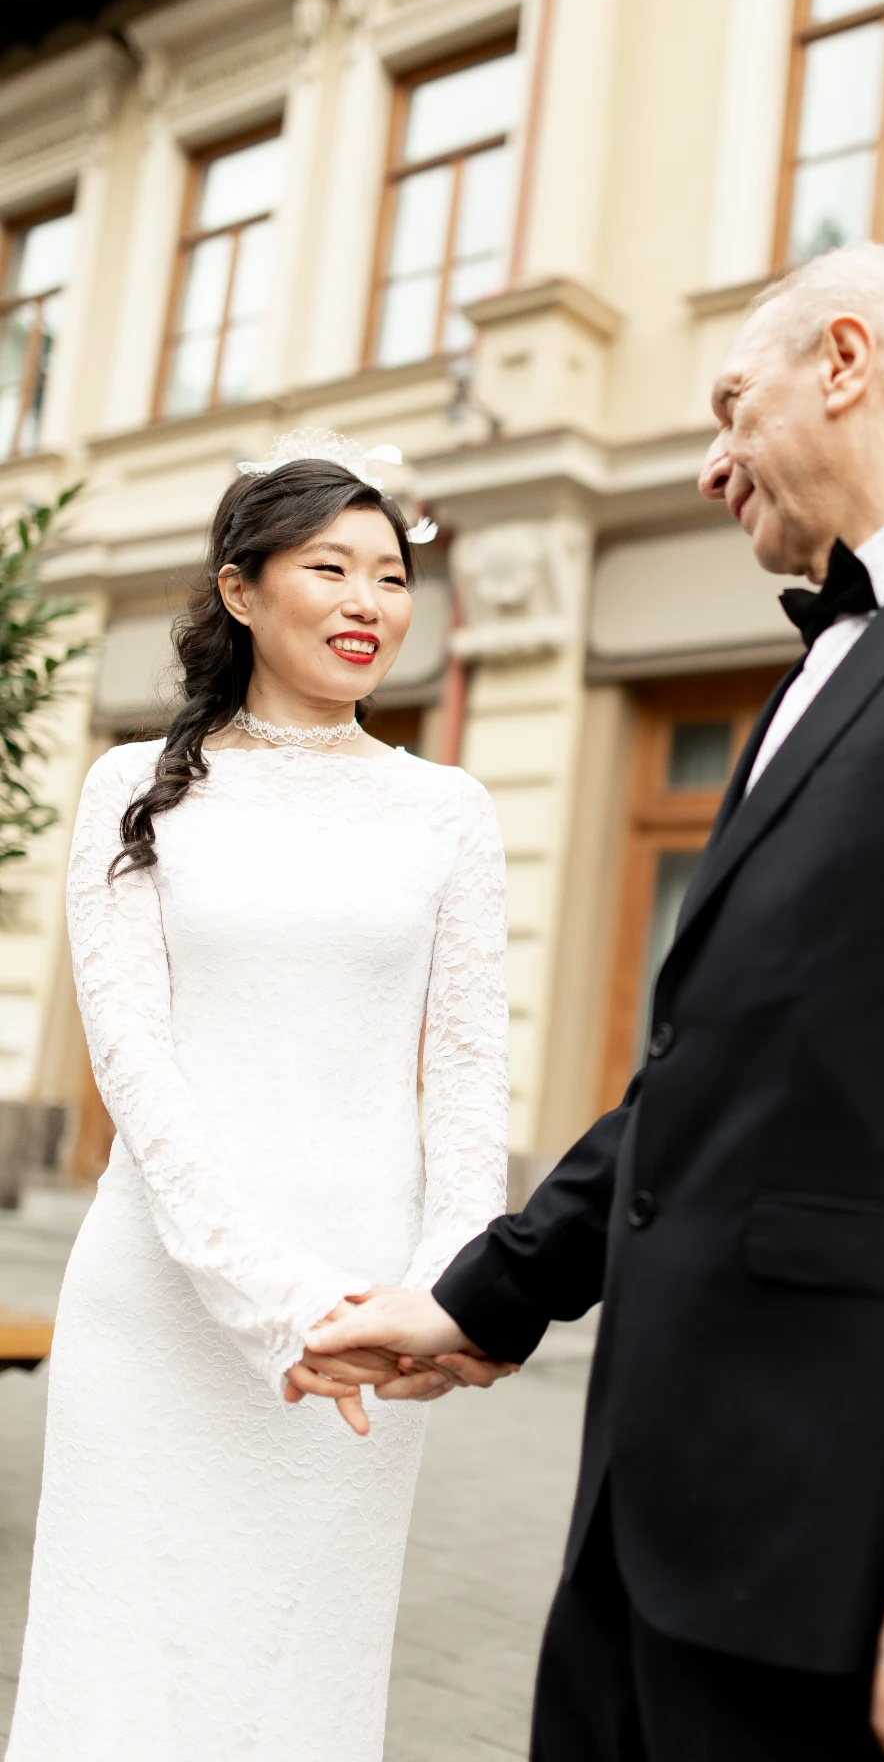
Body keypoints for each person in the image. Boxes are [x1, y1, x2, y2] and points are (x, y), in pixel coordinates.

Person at [309, 246, 884, 1762]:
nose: (706, 465)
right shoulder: (801, 690)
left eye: (732, 406)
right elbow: (707, 1081)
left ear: (847, 361)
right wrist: (488, 1293)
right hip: (648, 1537)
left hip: (866, 1563)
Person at [6, 432, 511, 1762]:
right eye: (328, 567)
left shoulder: (447, 810)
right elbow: (138, 1074)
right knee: (125, 1663)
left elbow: (465, 1079)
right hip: (168, 1295)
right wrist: (276, 1299)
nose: (367, 601)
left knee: (300, 1666)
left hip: (367, 1307)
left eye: (392, 575)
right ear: (240, 588)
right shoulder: (133, 790)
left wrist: (452, 1292)